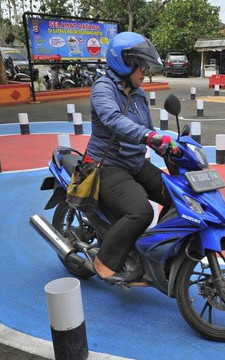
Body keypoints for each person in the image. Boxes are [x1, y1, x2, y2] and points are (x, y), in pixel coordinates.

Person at [85, 32, 178, 284]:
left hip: (135, 162)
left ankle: (155, 250)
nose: (145, 72)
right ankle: (105, 261)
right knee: (141, 211)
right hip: (107, 165)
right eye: (142, 66)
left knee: (179, 197)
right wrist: (149, 137)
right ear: (125, 63)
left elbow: (147, 129)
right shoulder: (103, 87)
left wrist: (169, 147)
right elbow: (114, 120)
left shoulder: (138, 93)